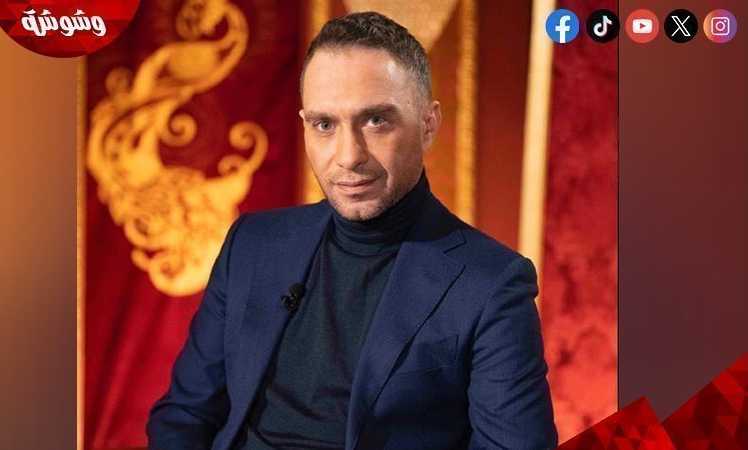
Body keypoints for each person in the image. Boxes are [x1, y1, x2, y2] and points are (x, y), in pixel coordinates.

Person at [147, 11, 557, 450]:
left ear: (428, 125)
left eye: (375, 121)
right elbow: (185, 414)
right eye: (325, 125)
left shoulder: (490, 283)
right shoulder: (251, 244)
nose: (348, 156)